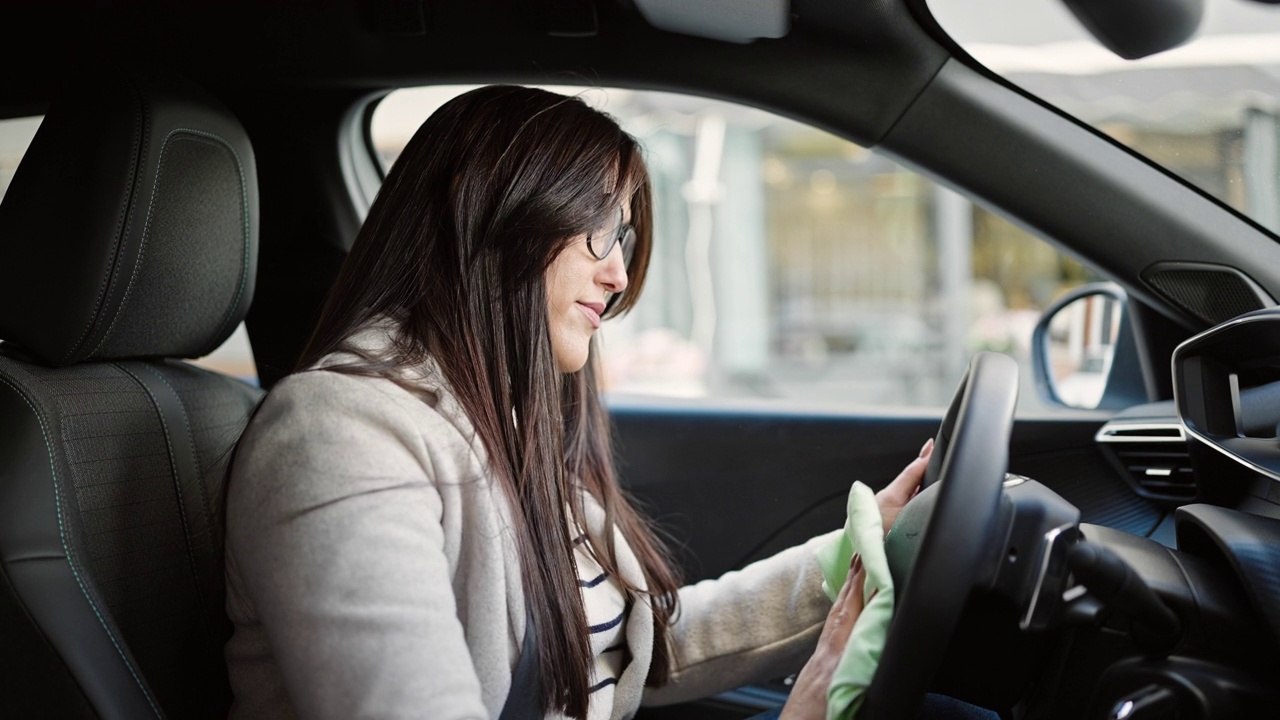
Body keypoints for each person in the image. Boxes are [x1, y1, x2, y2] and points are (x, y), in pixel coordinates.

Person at [223, 84, 929, 720]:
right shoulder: (340, 437)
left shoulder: (497, 415)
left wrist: (862, 555)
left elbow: (634, 642)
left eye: (621, 235)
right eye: (599, 230)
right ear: (494, 219)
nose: (620, 274)